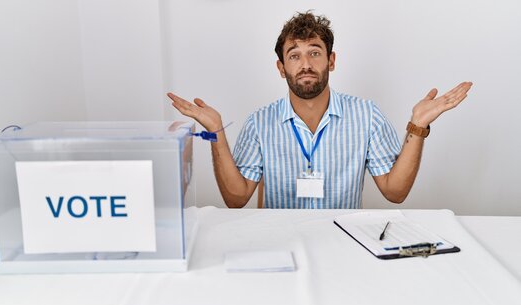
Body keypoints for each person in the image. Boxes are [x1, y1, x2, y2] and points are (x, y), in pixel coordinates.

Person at [167, 11, 472, 209]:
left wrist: (417, 126)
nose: (306, 64)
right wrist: (215, 131)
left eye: (315, 52)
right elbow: (236, 198)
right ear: (281, 68)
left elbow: (395, 191)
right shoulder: (260, 123)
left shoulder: (366, 115)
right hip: (279, 245)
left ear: (331, 61)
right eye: (294, 55)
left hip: (344, 244)